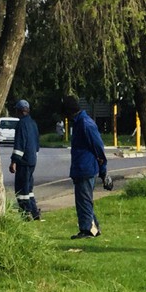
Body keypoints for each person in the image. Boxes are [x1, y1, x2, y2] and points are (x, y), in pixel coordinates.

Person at [62, 95, 109, 239]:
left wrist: (103, 170)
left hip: (86, 168)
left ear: (69, 112)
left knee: (84, 200)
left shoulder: (85, 123)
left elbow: (98, 147)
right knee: (84, 200)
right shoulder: (79, 122)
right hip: (80, 168)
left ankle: (88, 230)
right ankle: (93, 228)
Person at [8, 99, 41, 220]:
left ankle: (26, 213)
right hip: (32, 160)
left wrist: (14, 161)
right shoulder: (33, 123)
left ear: (20, 111)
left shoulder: (21, 124)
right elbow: (37, 144)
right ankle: (34, 211)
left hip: (23, 161)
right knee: (29, 188)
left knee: (22, 190)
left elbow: (19, 145)